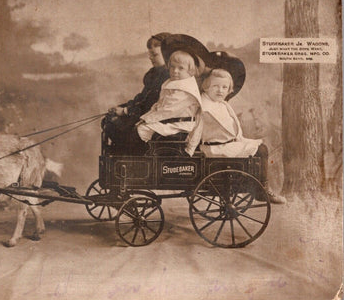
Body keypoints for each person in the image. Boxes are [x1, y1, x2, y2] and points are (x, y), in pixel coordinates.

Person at [184, 68, 286, 204]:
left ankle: (261, 186)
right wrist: (189, 150)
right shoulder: (205, 107)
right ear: (206, 87)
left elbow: (233, 127)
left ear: (228, 90)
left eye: (224, 87)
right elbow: (197, 130)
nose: (220, 90)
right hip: (216, 149)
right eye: (215, 86)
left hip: (227, 145)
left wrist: (241, 140)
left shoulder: (222, 104)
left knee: (261, 149)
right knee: (261, 150)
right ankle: (262, 190)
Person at [102, 33, 170, 154]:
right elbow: (142, 98)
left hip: (156, 119)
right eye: (150, 54)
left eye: (154, 55)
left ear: (167, 54)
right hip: (146, 115)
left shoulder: (168, 76)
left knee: (113, 126)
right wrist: (123, 107)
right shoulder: (154, 74)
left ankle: (126, 162)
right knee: (108, 121)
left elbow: (150, 103)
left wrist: (125, 111)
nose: (151, 58)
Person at [134, 49, 202, 147]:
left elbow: (169, 109)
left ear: (190, 71)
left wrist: (148, 119)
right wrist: (146, 117)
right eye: (172, 67)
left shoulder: (186, 90)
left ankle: (140, 159)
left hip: (180, 126)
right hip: (171, 121)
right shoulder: (173, 83)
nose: (175, 71)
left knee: (139, 132)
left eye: (181, 68)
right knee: (139, 128)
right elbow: (159, 105)